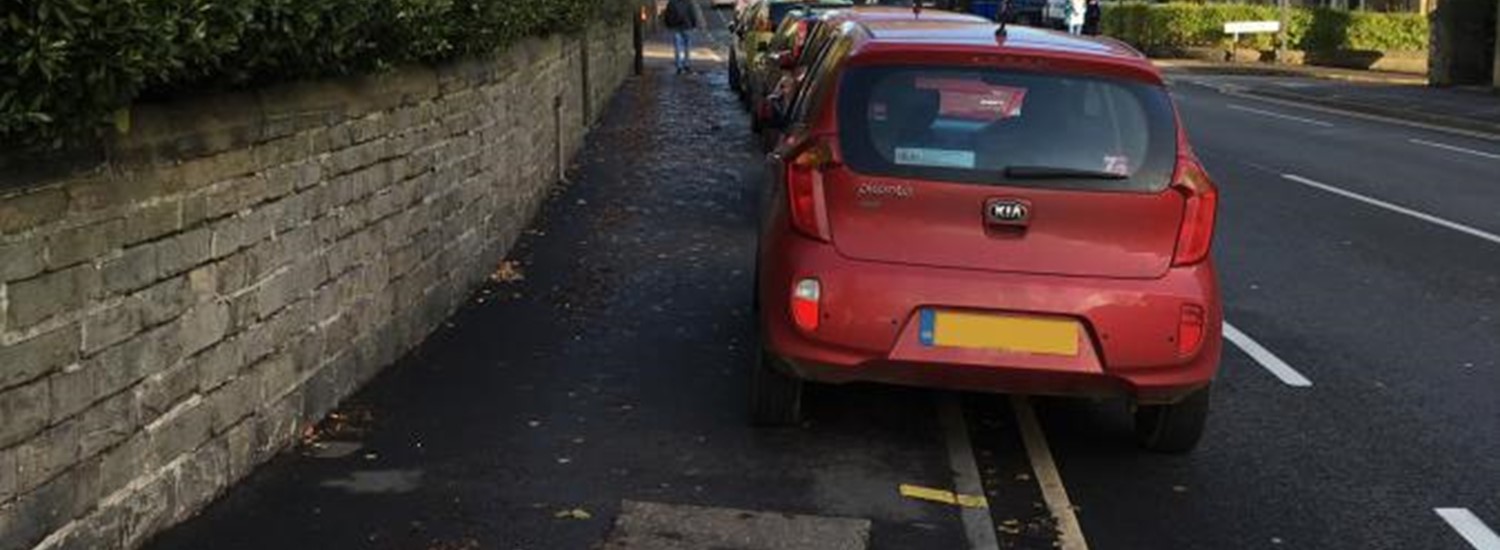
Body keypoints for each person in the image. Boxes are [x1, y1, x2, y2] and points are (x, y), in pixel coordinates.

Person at [663, 0, 701, 74]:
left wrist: (668, 24)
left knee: (677, 47)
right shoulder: (689, 2)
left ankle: (679, 66)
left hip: (676, 27)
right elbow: (692, 14)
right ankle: (686, 64)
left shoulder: (672, 2)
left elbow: (667, 15)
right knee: (687, 47)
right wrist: (694, 24)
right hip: (687, 26)